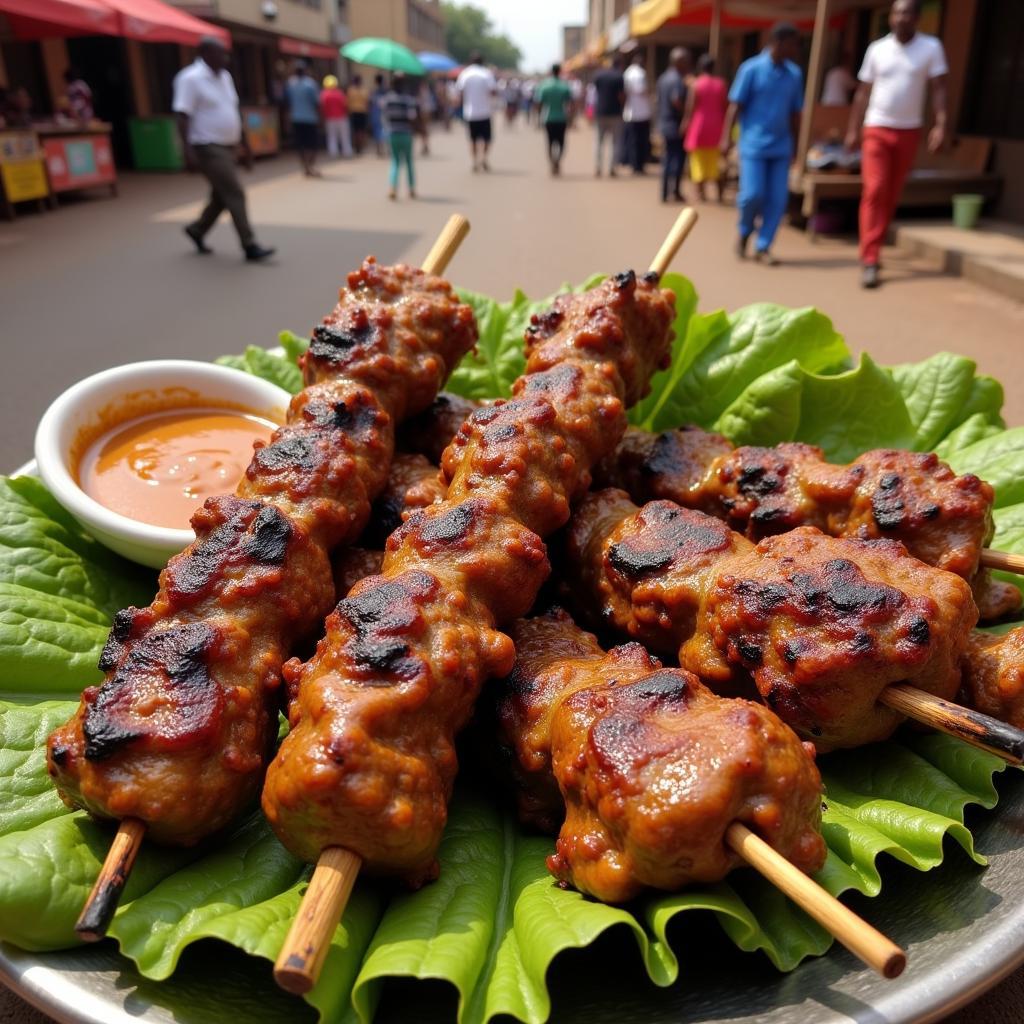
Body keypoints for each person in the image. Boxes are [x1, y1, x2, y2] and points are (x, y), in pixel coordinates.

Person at [846, 0, 949, 289]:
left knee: (890, 194)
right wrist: (853, 130)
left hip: (908, 131)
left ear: (916, 18)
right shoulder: (877, 49)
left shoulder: (931, 48)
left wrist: (940, 125)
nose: (901, 17)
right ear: (891, 17)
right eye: (896, 12)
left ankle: (874, 240)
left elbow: (940, 88)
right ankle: (870, 258)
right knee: (875, 189)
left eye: (906, 13)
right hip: (876, 127)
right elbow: (862, 93)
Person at [172, 37, 274, 262]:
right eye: (220, 54)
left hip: (228, 145)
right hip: (207, 145)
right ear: (205, 53)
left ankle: (197, 229)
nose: (225, 58)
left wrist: (245, 145)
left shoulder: (225, 77)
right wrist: (187, 150)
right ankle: (249, 245)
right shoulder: (190, 79)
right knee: (234, 192)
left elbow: (233, 110)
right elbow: (182, 115)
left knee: (221, 195)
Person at [721, 22, 803, 265]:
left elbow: (795, 114)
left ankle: (763, 246)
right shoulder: (751, 69)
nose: (796, 50)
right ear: (778, 43)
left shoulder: (794, 74)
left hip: (781, 147)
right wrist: (727, 138)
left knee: (777, 199)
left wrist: (797, 147)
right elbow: (735, 106)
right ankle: (745, 230)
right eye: (793, 45)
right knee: (752, 195)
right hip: (754, 145)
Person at [683, 53, 728, 202]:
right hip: (717, 127)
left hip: (699, 127)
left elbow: (690, 107)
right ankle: (719, 195)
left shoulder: (696, 84)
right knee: (716, 163)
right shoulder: (721, 84)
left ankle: (700, 194)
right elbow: (725, 106)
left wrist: (685, 124)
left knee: (698, 162)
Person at [656, 47, 691, 203]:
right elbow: (676, 100)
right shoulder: (677, 79)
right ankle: (674, 191)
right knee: (676, 159)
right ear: (678, 62)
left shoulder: (663, 78)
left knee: (667, 159)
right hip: (675, 125)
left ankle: (664, 193)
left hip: (664, 123)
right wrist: (688, 112)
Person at [383, 72, 421, 201]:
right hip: (405, 133)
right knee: (409, 161)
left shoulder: (387, 99)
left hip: (392, 133)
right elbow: (412, 117)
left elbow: (385, 116)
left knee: (395, 162)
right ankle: (411, 189)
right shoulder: (408, 99)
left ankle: (392, 188)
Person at [456, 52, 496, 172]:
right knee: (487, 139)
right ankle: (483, 158)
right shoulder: (486, 73)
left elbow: (460, 92)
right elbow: (493, 91)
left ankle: (474, 161)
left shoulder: (465, 74)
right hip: (485, 112)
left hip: (470, 113)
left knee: (472, 139)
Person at [536, 63, 574, 176]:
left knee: (550, 142)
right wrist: (571, 119)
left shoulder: (544, 86)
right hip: (562, 118)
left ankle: (552, 162)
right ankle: (557, 161)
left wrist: (538, 118)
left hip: (548, 118)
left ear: (551, 72)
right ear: (560, 71)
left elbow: (539, 103)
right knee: (561, 142)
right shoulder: (565, 86)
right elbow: (570, 104)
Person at [285, 61, 320, 177]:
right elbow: (316, 102)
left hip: (296, 119)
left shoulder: (290, 84)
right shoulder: (310, 84)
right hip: (309, 119)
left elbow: (287, 102)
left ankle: (306, 166)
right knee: (312, 144)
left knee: (301, 145)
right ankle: (309, 166)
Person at [592, 55, 625, 177]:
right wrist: (623, 107)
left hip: (600, 112)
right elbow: (621, 96)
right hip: (615, 113)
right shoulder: (619, 76)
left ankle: (598, 167)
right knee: (615, 143)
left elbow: (594, 94)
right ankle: (612, 168)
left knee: (598, 142)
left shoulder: (598, 75)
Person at [622, 51, 652, 175]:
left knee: (632, 141)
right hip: (641, 113)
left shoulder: (627, 73)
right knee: (640, 141)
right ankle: (638, 166)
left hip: (630, 112)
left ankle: (633, 164)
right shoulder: (640, 74)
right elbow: (642, 90)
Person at [320, 74, 351, 159]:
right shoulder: (340, 93)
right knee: (344, 136)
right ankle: (347, 152)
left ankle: (333, 152)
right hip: (342, 117)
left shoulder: (324, 94)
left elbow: (322, 107)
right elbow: (345, 105)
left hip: (330, 119)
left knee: (332, 136)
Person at [347, 75, 369, 153]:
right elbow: (367, 102)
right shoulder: (364, 90)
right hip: (361, 112)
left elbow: (347, 102)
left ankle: (357, 146)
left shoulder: (350, 90)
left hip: (354, 112)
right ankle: (360, 146)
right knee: (361, 130)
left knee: (356, 131)